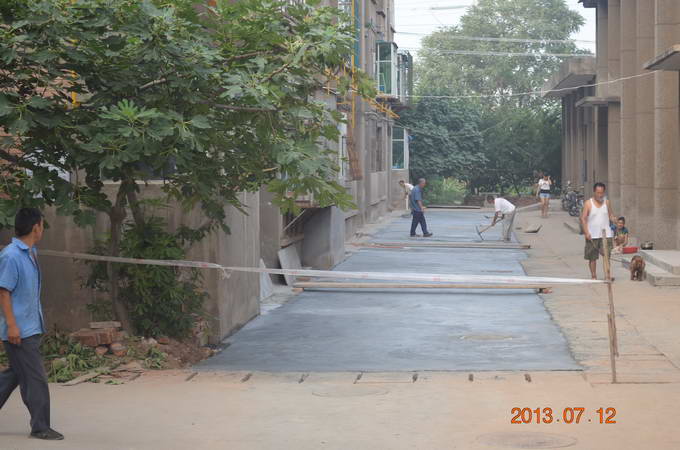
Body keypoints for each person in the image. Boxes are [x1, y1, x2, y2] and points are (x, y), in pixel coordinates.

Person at [0, 208, 63, 441]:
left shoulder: (31, 253)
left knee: (15, 374)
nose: (42, 229)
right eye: (42, 225)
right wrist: (12, 326)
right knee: (36, 379)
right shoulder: (11, 256)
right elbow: (3, 292)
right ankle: (40, 427)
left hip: (30, 326)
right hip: (19, 331)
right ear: (36, 227)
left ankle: (40, 425)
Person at [580, 182, 617, 280]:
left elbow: (610, 215)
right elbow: (583, 218)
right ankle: (594, 276)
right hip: (592, 234)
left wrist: (614, 219)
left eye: (602, 193)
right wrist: (586, 232)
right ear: (594, 192)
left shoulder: (607, 202)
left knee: (606, 255)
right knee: (592, 257)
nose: (600, 195)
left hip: (606, 234)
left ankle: (607, 275)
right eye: (598, 193)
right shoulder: (588, 203)